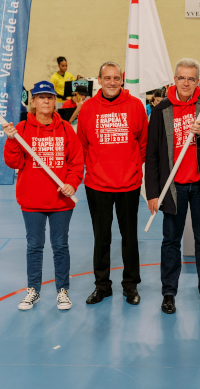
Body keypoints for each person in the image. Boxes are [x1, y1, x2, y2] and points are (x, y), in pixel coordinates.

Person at [146, 59, 200, 314]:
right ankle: (169, 293)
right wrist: (152, 193)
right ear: (174, 79)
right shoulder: (162, 109)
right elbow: (152, 154)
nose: (186, 83)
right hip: (173, 189)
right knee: (171, 241)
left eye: (191, 79)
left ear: (197, 82)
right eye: (182, 78)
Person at [2, 80, 84, 312]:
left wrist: (71, 183)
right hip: (32, 200)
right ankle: (33, 290)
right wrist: (10, 140)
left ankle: (62, 290)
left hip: (61, 201)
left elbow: (76, 162)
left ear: (54, 102)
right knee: (34, 246)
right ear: (33, 102)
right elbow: (14, 162)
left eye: (49, 96)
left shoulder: (67, 129)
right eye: (40, 97)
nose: (45, 100)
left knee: (60, 245)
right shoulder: (22, 129)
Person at [77, 61, 148, 305]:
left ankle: (130, 286)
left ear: (121, 80)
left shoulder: (136, 106)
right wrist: (96, 168)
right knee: (101, 237)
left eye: (116, 78)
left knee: (130, 238)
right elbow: (83, 145)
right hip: (97, 185)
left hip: (128, 184)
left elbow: (143, 143)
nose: (111, 82)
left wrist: (130, 167)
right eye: (107, 78)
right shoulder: (87, 108)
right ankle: (102, 286)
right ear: (99, 80)